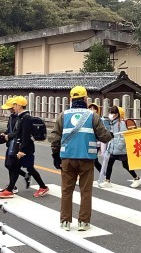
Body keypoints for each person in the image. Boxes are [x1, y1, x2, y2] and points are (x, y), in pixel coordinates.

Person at [48, 86, 112, 231]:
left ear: (71, 100)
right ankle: (83, 222)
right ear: (85, 99)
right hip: (86, 158)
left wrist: (55, 156)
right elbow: (104, 136)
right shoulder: (93, 116)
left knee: (66, 190)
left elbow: (54, 138)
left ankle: (65, 221)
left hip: (67, 157)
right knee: (86, 191)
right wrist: (111, 135)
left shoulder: (63, 116)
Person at [0, 96, 49, 199]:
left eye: (15, 105)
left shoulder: (25, 118)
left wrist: (22, 151)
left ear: (19, 105)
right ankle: (11, 189)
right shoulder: (21, 117)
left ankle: (42, 187)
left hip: (25, 148)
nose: (13, 107)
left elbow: (24, 136)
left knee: (26, 168)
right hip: (21, 147)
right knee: (16, 167)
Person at [100, 105, 141, 189]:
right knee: (110, 163)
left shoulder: (121, 124)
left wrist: (117, 146)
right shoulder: (113, 123)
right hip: (115, 149)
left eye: (112, 113)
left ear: (117, 115)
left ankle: (136, 178)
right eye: (110, 112)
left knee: (125, 165)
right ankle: (107, 180)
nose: (110, 114)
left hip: (120, 149)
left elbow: (123, 137)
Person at [0, 98, 28, 194]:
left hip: (17, 145)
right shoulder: (12, 117)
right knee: (8, 165)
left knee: (13, 166)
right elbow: (9, 129)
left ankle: (11, 187)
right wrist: (4, 134)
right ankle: (22, 177)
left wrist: (8, 136)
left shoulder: (22, 118)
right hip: (11, 144)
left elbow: (18, 133)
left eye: (11, 108)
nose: (10, 110)